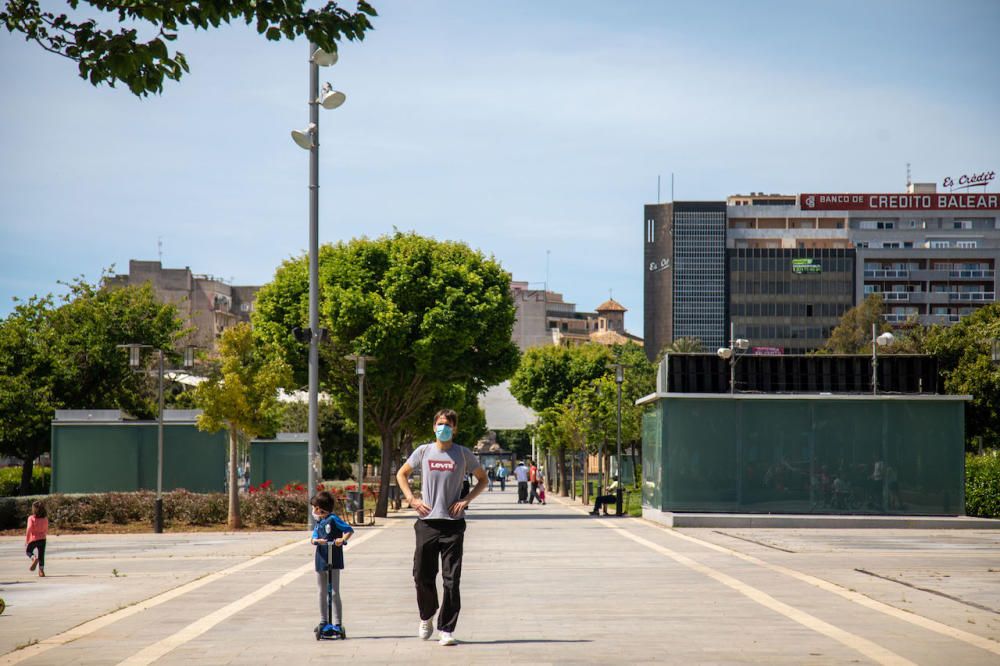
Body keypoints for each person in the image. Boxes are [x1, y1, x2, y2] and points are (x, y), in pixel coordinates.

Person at [396, 409, 488, 647]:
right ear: (433, 427)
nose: (443, 428)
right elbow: (401, 474)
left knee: (451, 579)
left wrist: (466, 501)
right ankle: (427, 615)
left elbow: (483, 479)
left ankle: (446, 628)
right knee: (421, 575)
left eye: (448, 424)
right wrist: (412, 500)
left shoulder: (463, 454)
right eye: (440, 424)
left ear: (455, 429)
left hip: (453, 525)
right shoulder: (424, 451)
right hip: (427, 522)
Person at [310, 490, 353, 638]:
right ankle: (323, 620)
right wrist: (316, 541)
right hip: (321, 557)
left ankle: (338, 623)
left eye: (316, 508)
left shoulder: (333, 519)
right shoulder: (319, 522)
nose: (314, 511)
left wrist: (342, 539)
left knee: (334, 592)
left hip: (333, 557)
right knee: (321, 591)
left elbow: (349, 530)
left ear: (322, 508)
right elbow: (313, 537)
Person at [26, 500, 48, 577]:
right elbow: (46, 529)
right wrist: (44, 535)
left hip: (34, 539)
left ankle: (33, 558)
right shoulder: (45, 518)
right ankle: (41, 571)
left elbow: (29, 528)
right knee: (41, 555)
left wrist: (27, 539)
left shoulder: (31, 518)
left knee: (28, 551)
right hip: (42, 539)